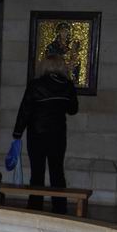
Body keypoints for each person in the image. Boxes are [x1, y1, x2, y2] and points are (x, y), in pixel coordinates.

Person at [12, 57, 79, 213]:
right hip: (58, 134)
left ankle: (35, 206)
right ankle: (60, 207)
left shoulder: (36, 84)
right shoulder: (67, 85)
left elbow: (25, 110)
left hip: (37, 134)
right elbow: (73, 110)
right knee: (57, 171)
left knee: (37, 172)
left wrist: (17, 133)